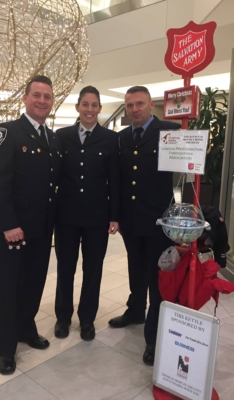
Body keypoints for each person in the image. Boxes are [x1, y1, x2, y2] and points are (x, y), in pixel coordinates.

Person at [0, 75, 61, 375]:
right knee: (9, 287)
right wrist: (8, 224)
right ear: (25, 98)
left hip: (43, 229)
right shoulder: (6, 133)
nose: (42, 101)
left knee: (34, 283)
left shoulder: (52, 139)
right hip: (14, 231)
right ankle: (6, 349)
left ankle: (26, 329)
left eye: (47, 96)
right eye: (37, 95)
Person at [108, 86, 181, 366]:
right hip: (130, 219)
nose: (135, 109)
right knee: (135, 268)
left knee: (156, 277)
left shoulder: (169, 131)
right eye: (130, 105)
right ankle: (135, 311)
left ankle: (153, 337)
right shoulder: (122, 138)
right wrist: (115, 215)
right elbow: (118, 180)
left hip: (158, 219)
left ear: (151, 104)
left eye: (140, 104)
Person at [54, 86, 120, 341]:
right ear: (78, 107)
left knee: (93, 268)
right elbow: (55, 176)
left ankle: (87, 319)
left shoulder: (110, 139)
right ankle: (62, 317)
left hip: (97, 216)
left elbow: (114, 180)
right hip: (66, 215)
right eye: (85, 104)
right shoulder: (62, 136)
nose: (89, 110)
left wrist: (114, 215)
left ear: (100, 108)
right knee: (65, 267)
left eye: (94, 105)